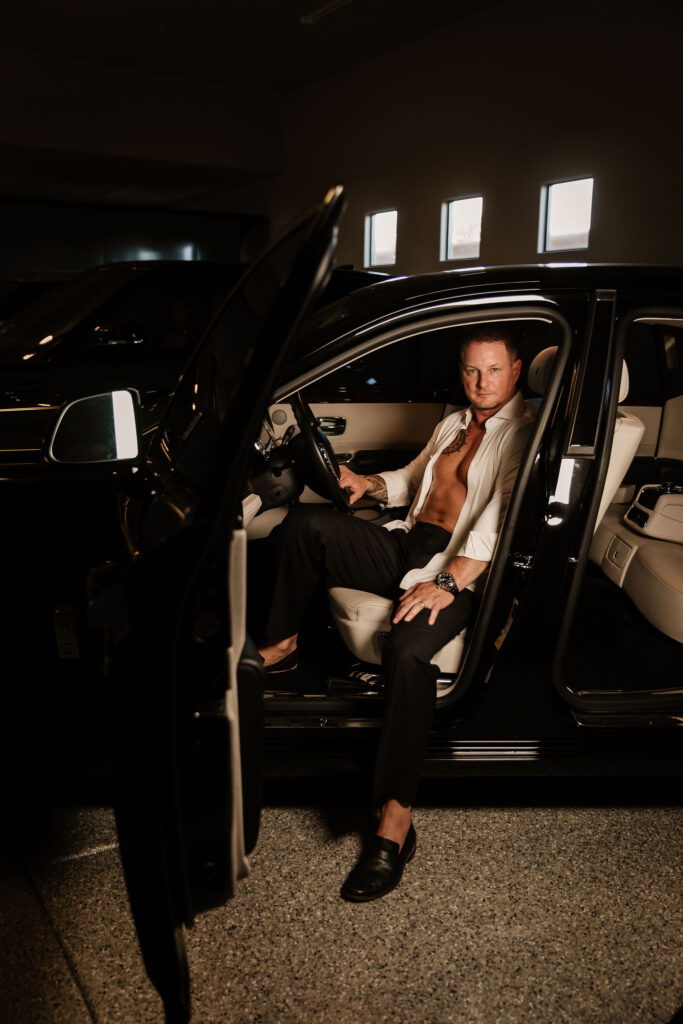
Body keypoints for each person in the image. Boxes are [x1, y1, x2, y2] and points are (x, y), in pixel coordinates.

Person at [258, 325, 534, 901]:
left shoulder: (525, 433)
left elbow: (499, 521)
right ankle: (281, 648)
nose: (481, 383)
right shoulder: (454, 423)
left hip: (463, 565)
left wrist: (447, 581)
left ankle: (395, 820)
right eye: (470, 370)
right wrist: (369, 484)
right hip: (411, 542)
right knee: (307, 526)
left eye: (493, 370)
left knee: (408, 647)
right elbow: (416, 479)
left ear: (516, 369)